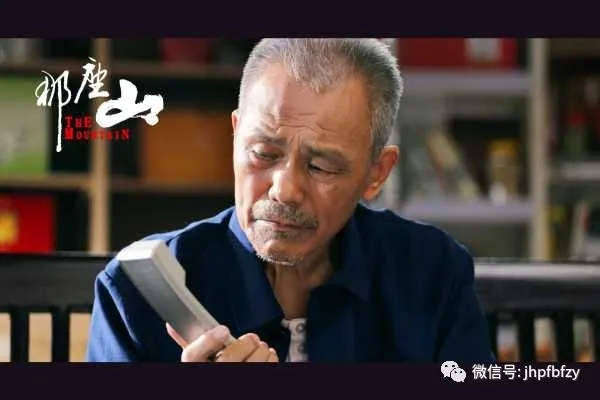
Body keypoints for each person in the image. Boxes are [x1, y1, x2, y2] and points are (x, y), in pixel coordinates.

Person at [86, 38, 495, 363]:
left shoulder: (431, 272)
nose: (284, 190)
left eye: (321, 166)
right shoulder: (138, 292)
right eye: (264, 154)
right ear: (235, 134)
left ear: (377, 174)